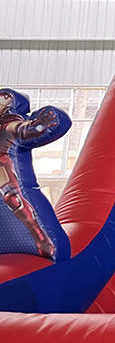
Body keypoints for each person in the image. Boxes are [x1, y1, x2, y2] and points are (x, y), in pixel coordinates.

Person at [0, 88, 59, 258]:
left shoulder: (7, 124)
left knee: (12, 198)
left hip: (1, 163)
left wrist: (37, 127)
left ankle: (40, 238)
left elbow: (19, 129)